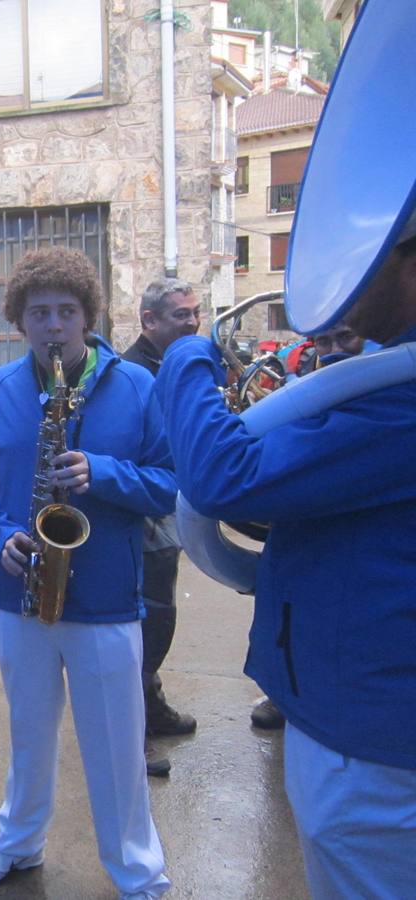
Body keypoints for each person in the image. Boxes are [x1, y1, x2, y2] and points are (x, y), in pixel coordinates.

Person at [156, 228, 416, 898]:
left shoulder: (400, 399)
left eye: (374, 253)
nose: (347, 279)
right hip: (356, 711)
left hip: (367, 735)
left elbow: (221, 478)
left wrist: (188, 356)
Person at [0, 248, 173, 897]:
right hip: (18, 596)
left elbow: (173, 483)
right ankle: (18, 841)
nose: (53, 326)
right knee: (28, 732)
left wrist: (106, 473)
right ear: (20, 322)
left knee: (117, 748)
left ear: (86, 317)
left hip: (103, 600)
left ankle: (137, 870)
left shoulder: (136, 388)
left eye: (65, 312)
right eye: (38, 313)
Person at [251, 321, 370, 733]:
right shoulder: (302, 394)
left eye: (346, 337)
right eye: (324, 341)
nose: (335, 350)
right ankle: (281, 694)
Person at [122, 278, 201, 777]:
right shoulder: (134, 374)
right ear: (149, 321)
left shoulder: (177, 365)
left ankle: (151, 707)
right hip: (147, 517)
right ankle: (133, 734)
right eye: (181, 315)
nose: (193, 322)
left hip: (171, 509)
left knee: (160, 617)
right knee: (147, 623)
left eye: (197, 312)